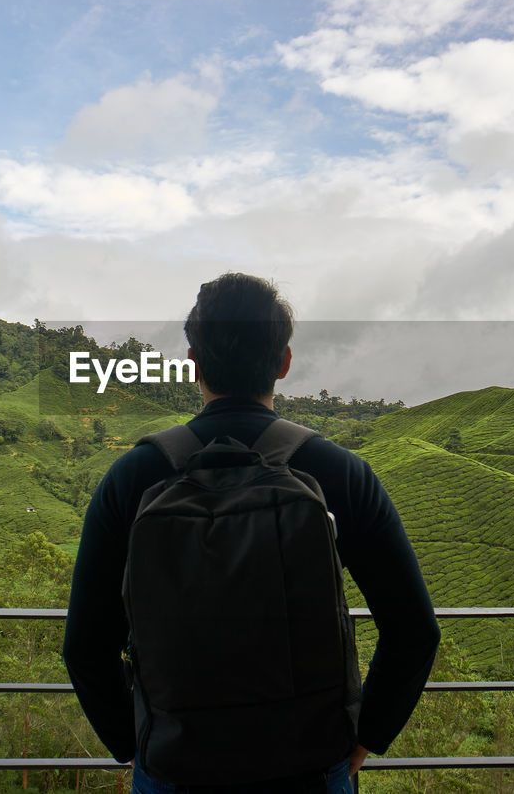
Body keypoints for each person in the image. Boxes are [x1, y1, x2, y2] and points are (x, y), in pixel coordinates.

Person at [63, 272, 440, 793]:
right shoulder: (339, 473)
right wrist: (365, 738)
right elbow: (414, 629)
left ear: (192, 363)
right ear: (284, 361)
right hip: (309, 767)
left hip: (175, 768)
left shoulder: (134, 477)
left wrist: (134, 746)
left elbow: (84, 645)